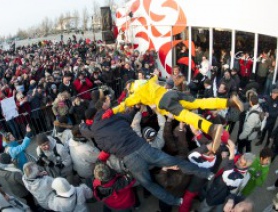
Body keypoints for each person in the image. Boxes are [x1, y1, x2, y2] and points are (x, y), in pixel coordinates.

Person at [80, 97, 214, 206]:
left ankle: (175, 201)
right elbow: (130, 117)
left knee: (148, 184)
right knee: (176, 161)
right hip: (143, 148)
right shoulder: (114, 116)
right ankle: (207, 174)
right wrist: (136, 109)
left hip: (129, 158)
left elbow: (103, 145)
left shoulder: (94, 132)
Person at [112, 69, 243, 149]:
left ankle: (212, 129)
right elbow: (155, 77)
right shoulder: (147, 82)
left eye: (128, 89)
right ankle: (230, 102)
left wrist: (111, 111)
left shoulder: (136, 93)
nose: (128, 91)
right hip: (171, 93)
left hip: (164, 102)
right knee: (199, 102)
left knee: (186, 116)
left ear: (130, 87)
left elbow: (123, 104)